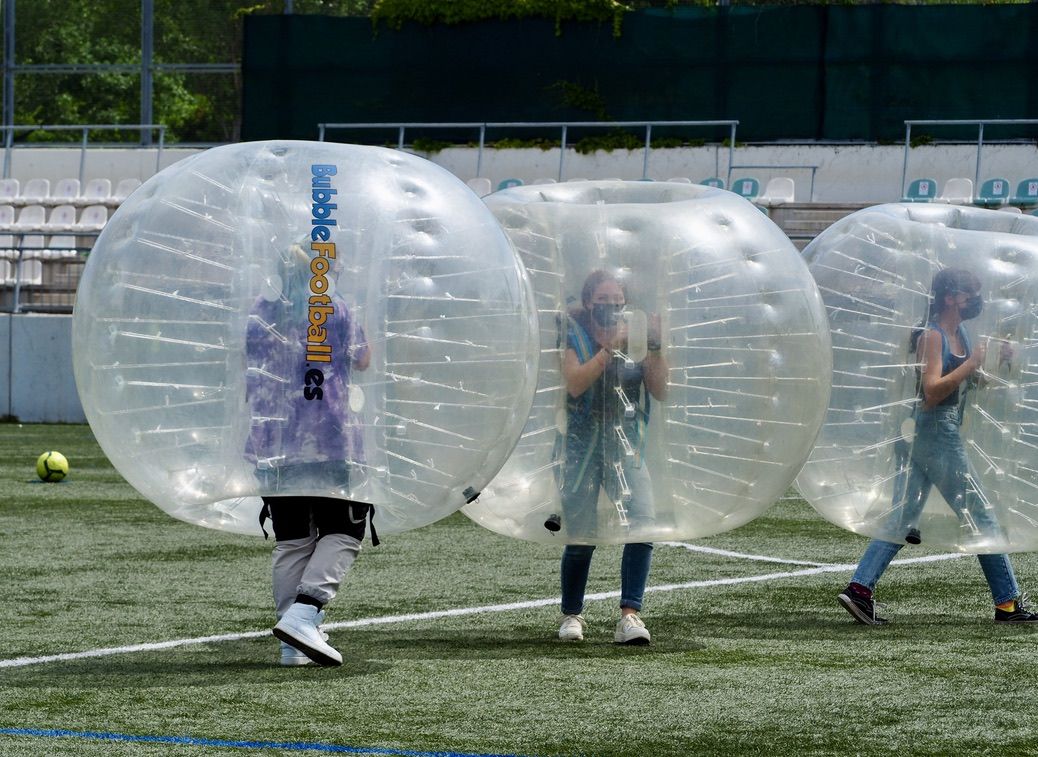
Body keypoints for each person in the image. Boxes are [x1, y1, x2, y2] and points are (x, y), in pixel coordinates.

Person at [838, 267, 1038, 625]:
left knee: (903, 516)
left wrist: (995, 365)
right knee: (982, 516)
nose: (974, 301)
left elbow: (967, 383)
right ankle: (1007, 604)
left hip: (933, 431)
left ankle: (859, 590)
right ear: (949, 297)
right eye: (968, 294)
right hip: (934, 430)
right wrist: (973, 362)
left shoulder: (957, 331)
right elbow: (932, 392)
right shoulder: (932, 336)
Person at [245, 244, 375, 666]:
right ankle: (305, 613)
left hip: (277, 436)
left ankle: (290, 642)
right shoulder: (336, 308)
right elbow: (365, 359)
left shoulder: (264, 309)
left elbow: (250, 358)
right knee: (345, 528)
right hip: (330, 433)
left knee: (293, 539)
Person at [555, 269, 669, 644]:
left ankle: (630, 615)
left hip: (625, 443)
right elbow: (575, 383)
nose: (611, 308)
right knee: (581, 532)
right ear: (588, 303)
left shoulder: (634, 336)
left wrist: (653, 347)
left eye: (618, 302)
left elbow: (661, 390)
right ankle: (572, 615)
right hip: (581, 443)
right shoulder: (575, 334)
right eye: (603, 301)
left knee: (643, 522)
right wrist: (609, 349)